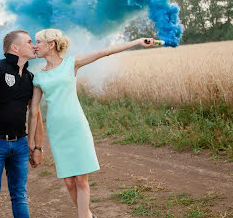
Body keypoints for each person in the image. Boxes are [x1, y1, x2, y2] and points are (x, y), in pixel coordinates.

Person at [27, 29, 158, 218]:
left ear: (51, 44)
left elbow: (105, 51)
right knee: (69, 183)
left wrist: (137, 41)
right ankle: (88, 215)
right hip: (57, 131)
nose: (34, 46)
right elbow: (33, 111)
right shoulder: (39, 77)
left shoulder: (72, 63)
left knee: (81, 180)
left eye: (38, 42)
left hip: (76, 126)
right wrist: (32, 143)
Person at [0, 30, 44, 218]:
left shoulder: (30, 77)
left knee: (20, 196)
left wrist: (37, 147)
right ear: (15, 47)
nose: (34, 45)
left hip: (21, 146)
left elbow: (35, 113)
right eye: (29, 42)